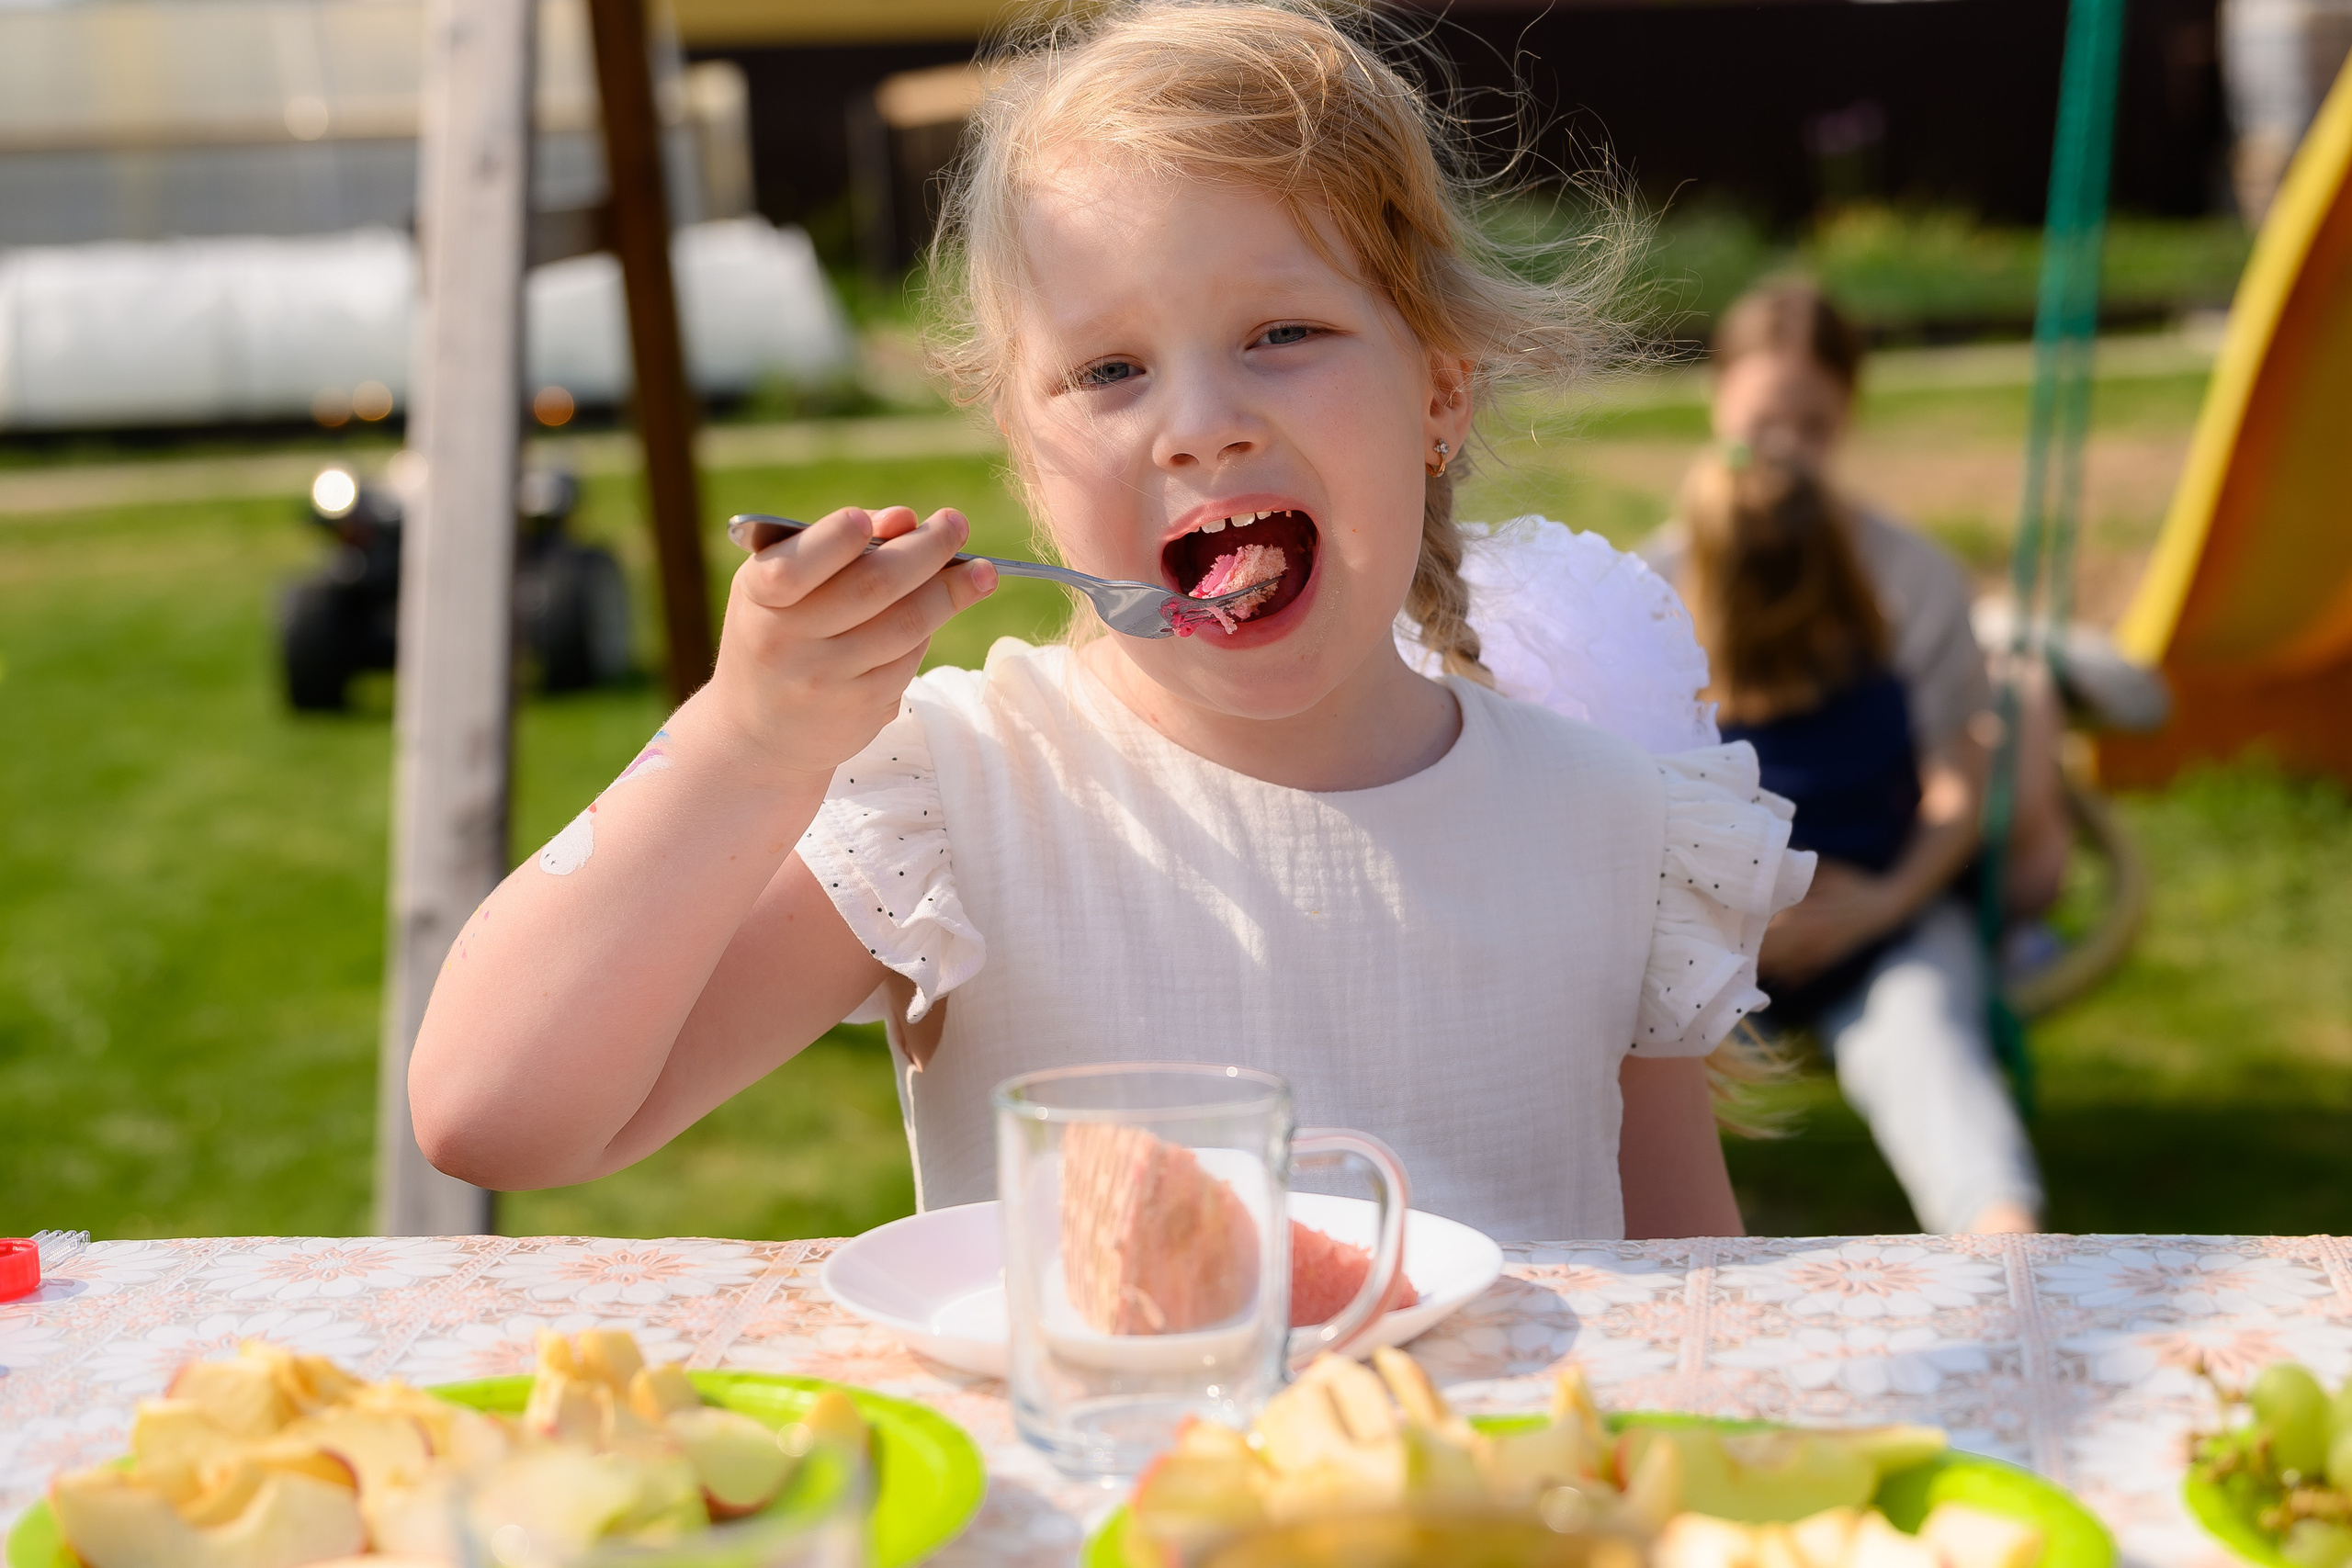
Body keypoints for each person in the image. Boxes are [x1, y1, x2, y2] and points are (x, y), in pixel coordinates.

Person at [407, 0, 1815, 1244]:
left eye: (1283, 333)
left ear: (1439, 392)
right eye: (1109, 369)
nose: (1201, 427)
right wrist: (745, 741)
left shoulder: (1614, 829)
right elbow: (500, 1111)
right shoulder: (956, 803)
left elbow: (1683, 1296)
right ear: (1027, 456)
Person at [1644, 283, 2047, 1235]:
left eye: (1811, 426)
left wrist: (1888, 899)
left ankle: (2008, 1248)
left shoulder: (1905, 577)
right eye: (1758, 426)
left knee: (1925, 1043)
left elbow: (1959, 766)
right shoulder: (1650, 587)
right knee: (1627, 1061)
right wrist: (1720, 926)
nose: (1783, 451)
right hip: (1708, 942)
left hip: (1878, 912)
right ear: (1716, 403)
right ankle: (1656, 1272)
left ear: (1848, 419)